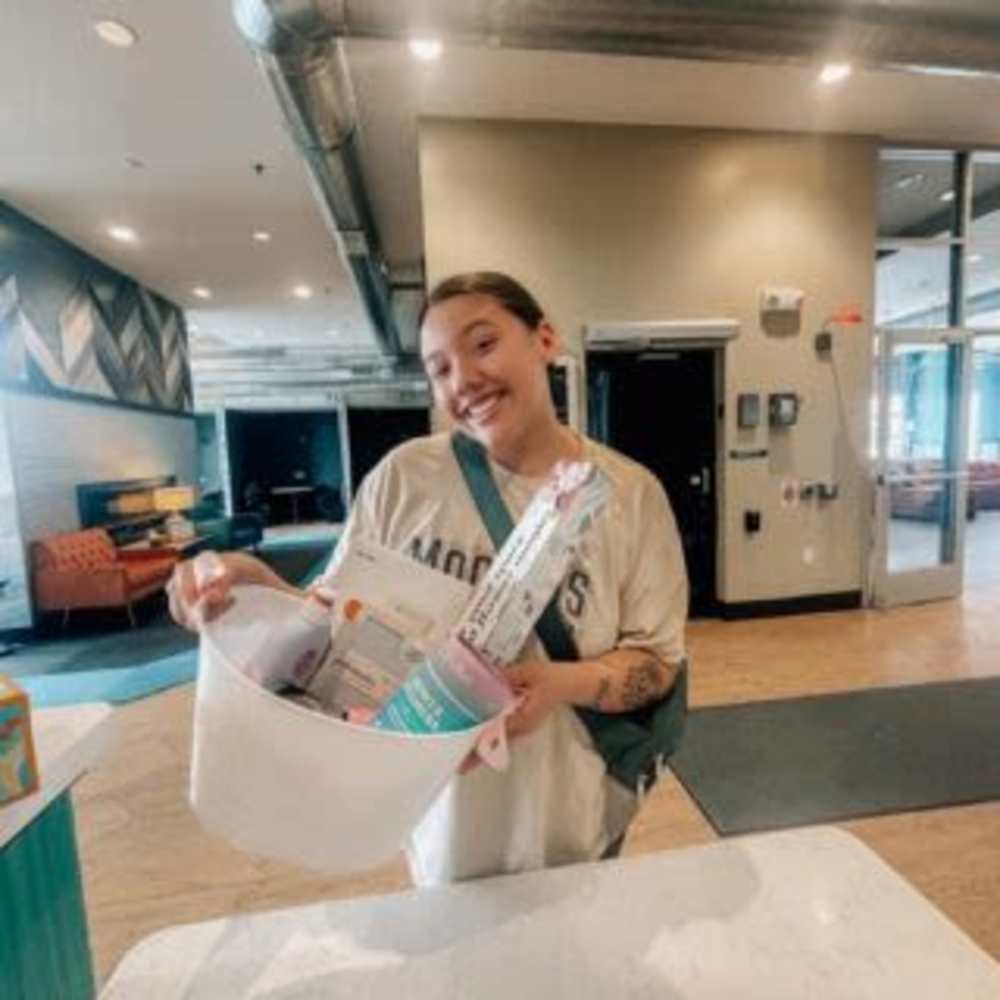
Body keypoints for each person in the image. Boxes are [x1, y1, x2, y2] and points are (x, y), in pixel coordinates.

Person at [168, 271, 688, 885]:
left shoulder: (630, 495)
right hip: (440, 811)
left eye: (483, 344)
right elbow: (335, 627)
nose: (463, 380)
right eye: (439, 369)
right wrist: (248, 584)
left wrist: (556, 684)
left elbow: (656, 665)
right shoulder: (402, 479)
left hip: (569, 808)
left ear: (544, 339)